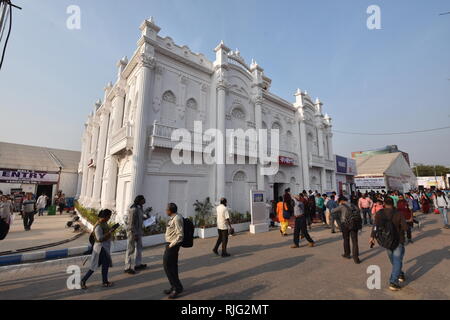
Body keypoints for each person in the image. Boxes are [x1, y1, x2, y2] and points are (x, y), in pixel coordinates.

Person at [369, 198, 408, 291]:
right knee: (397, 260)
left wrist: (372, 237)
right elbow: (405, 227)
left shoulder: (379, 213)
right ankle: (393, 282)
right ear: (393, 203)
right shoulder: (399, 213)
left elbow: (375, 226)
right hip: (398, 240)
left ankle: (400, 274)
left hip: (386, 241)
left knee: (394, 260)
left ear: (384, 204)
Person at [81, 209, 114, 289]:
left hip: (104, 247)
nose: (109, 218)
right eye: (108, 216)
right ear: (104, 216)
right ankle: (85, 280)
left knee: (101, 265)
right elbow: (99, 238)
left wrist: (111, 231)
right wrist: (109, 233)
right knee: (97, 266)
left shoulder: (104, 223)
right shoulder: (98, 226)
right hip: (100, 248)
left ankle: (104, 281)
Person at [331, 196, 361, 264]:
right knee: (355, 241)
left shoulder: (342, 206)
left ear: (341, 201)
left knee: (346, 239)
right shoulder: (354, 205)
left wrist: (333, 207)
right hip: (354, 223)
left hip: (345, 224)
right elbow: (358, 211)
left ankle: (347, 254)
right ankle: (356, 258)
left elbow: (333, 211)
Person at [163, 203, 184, 299]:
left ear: (170, 210)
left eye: (167, 209)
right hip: (170, 245)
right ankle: (175, 286)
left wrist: (171, 245)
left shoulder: (177, 218)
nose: (166, 211)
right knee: (171, 267)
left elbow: (180, 235)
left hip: (172, 246)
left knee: (168, 266)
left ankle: (176, 288)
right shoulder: (174, 217)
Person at [124, 195, 148, 275]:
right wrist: (134, 234)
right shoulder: (133, 209)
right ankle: (128, 267)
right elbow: (131, 223)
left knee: (139, 248)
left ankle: (138, 264)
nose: (144, 201)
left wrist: (147, 216)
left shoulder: (139, 208)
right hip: (132, 232)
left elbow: (140, 218)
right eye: (143, 199)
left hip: (138, 232)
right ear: (140, 200)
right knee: (130, 250)